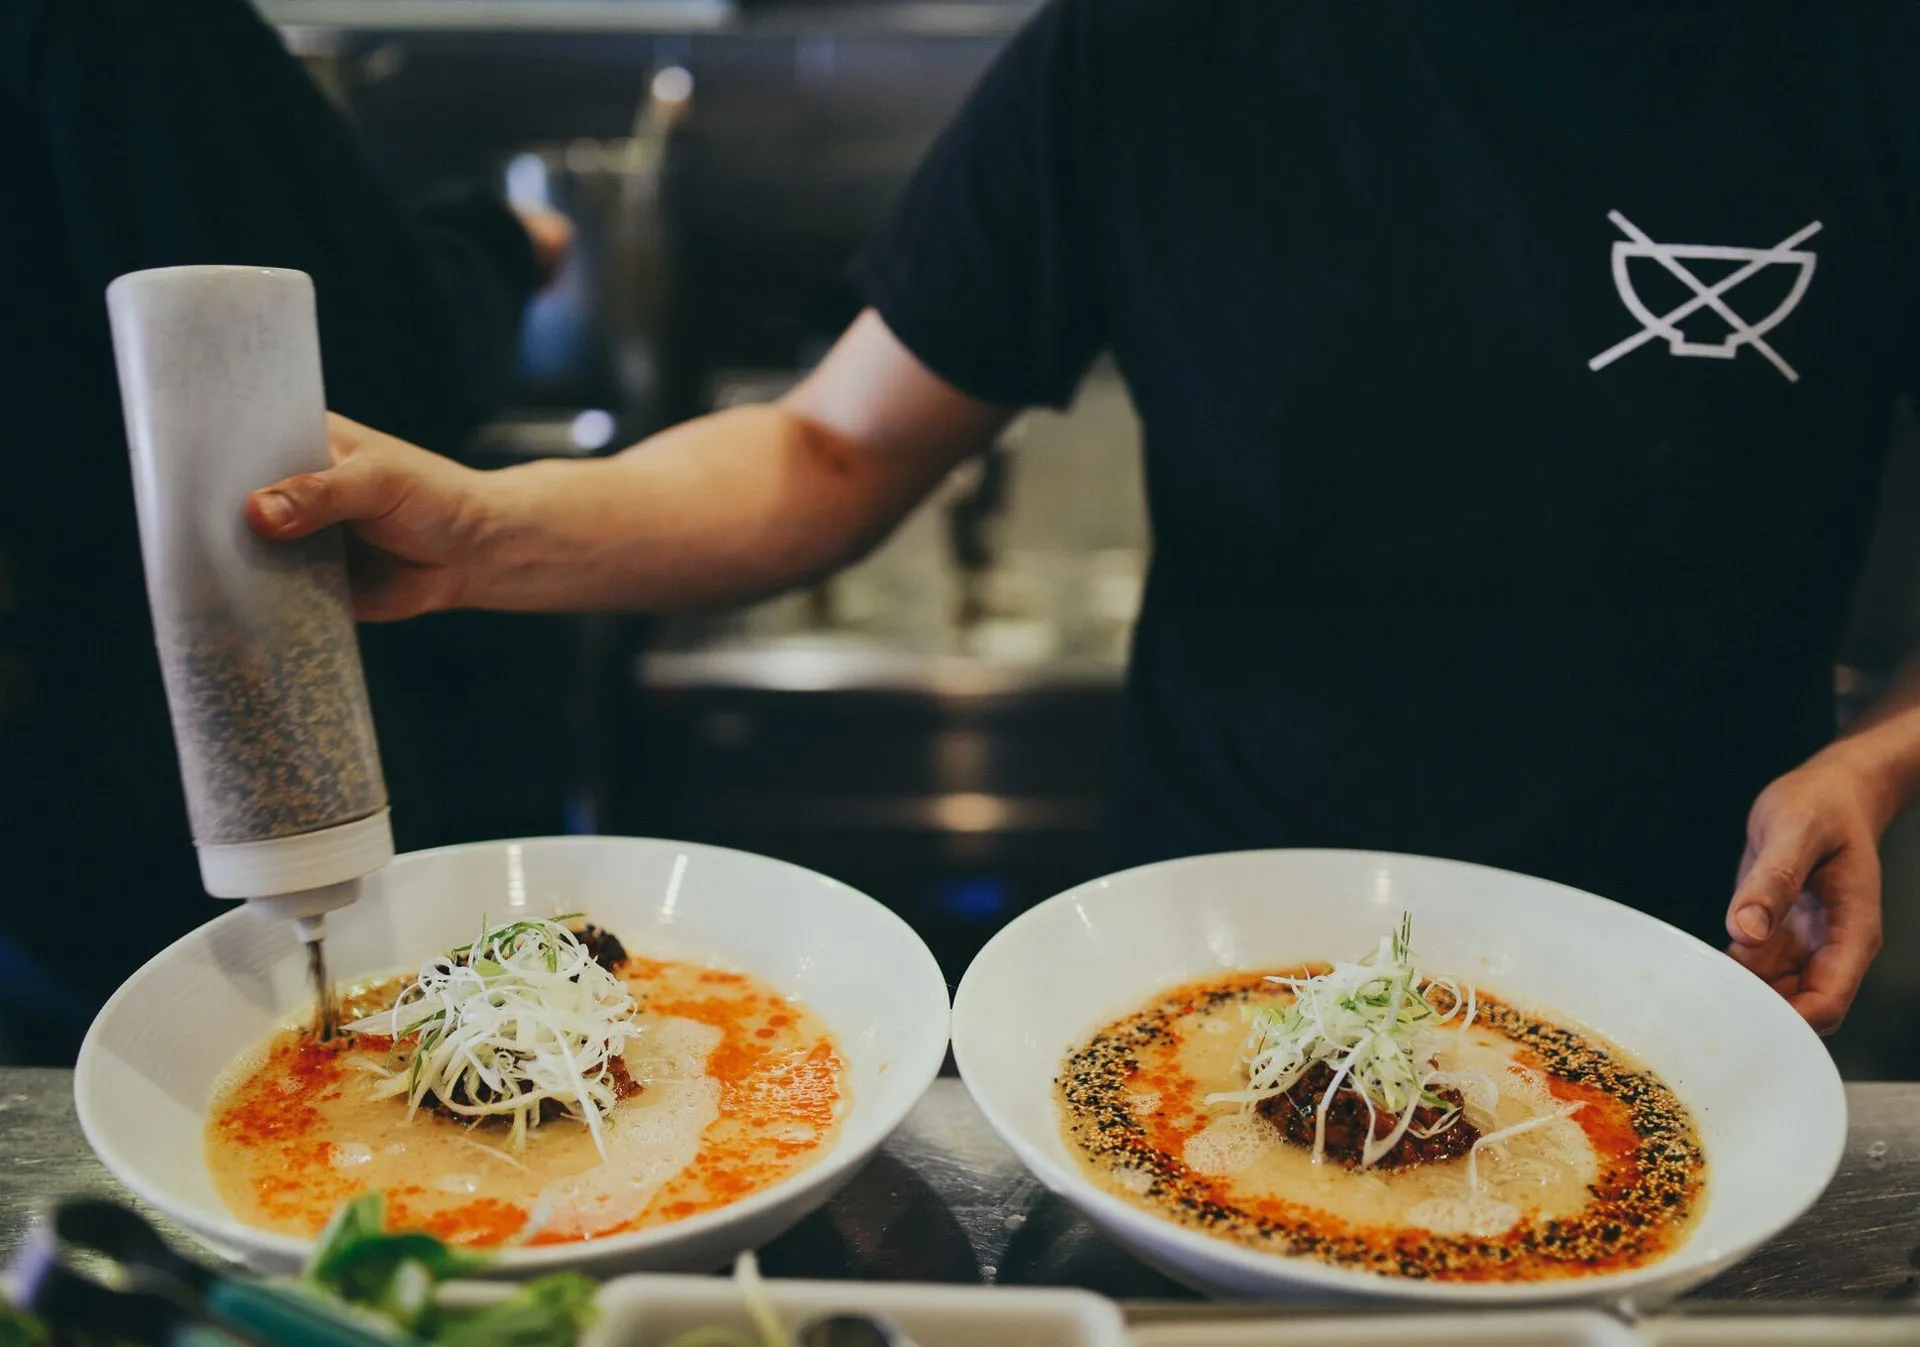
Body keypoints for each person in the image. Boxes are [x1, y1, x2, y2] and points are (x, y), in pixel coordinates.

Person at [245, 1, 1920, 1035]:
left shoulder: (1862, 46)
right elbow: (832, 447)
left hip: (1692, 976)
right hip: (1207, 975)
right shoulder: (1157, 42)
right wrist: (485, 529)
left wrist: (1885, 751)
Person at [0, 0, 564, 1061]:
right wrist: (493, 243)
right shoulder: (123, 29)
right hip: (152, 759)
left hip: (44, 801)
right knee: (282, 1059)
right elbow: (372, 367)